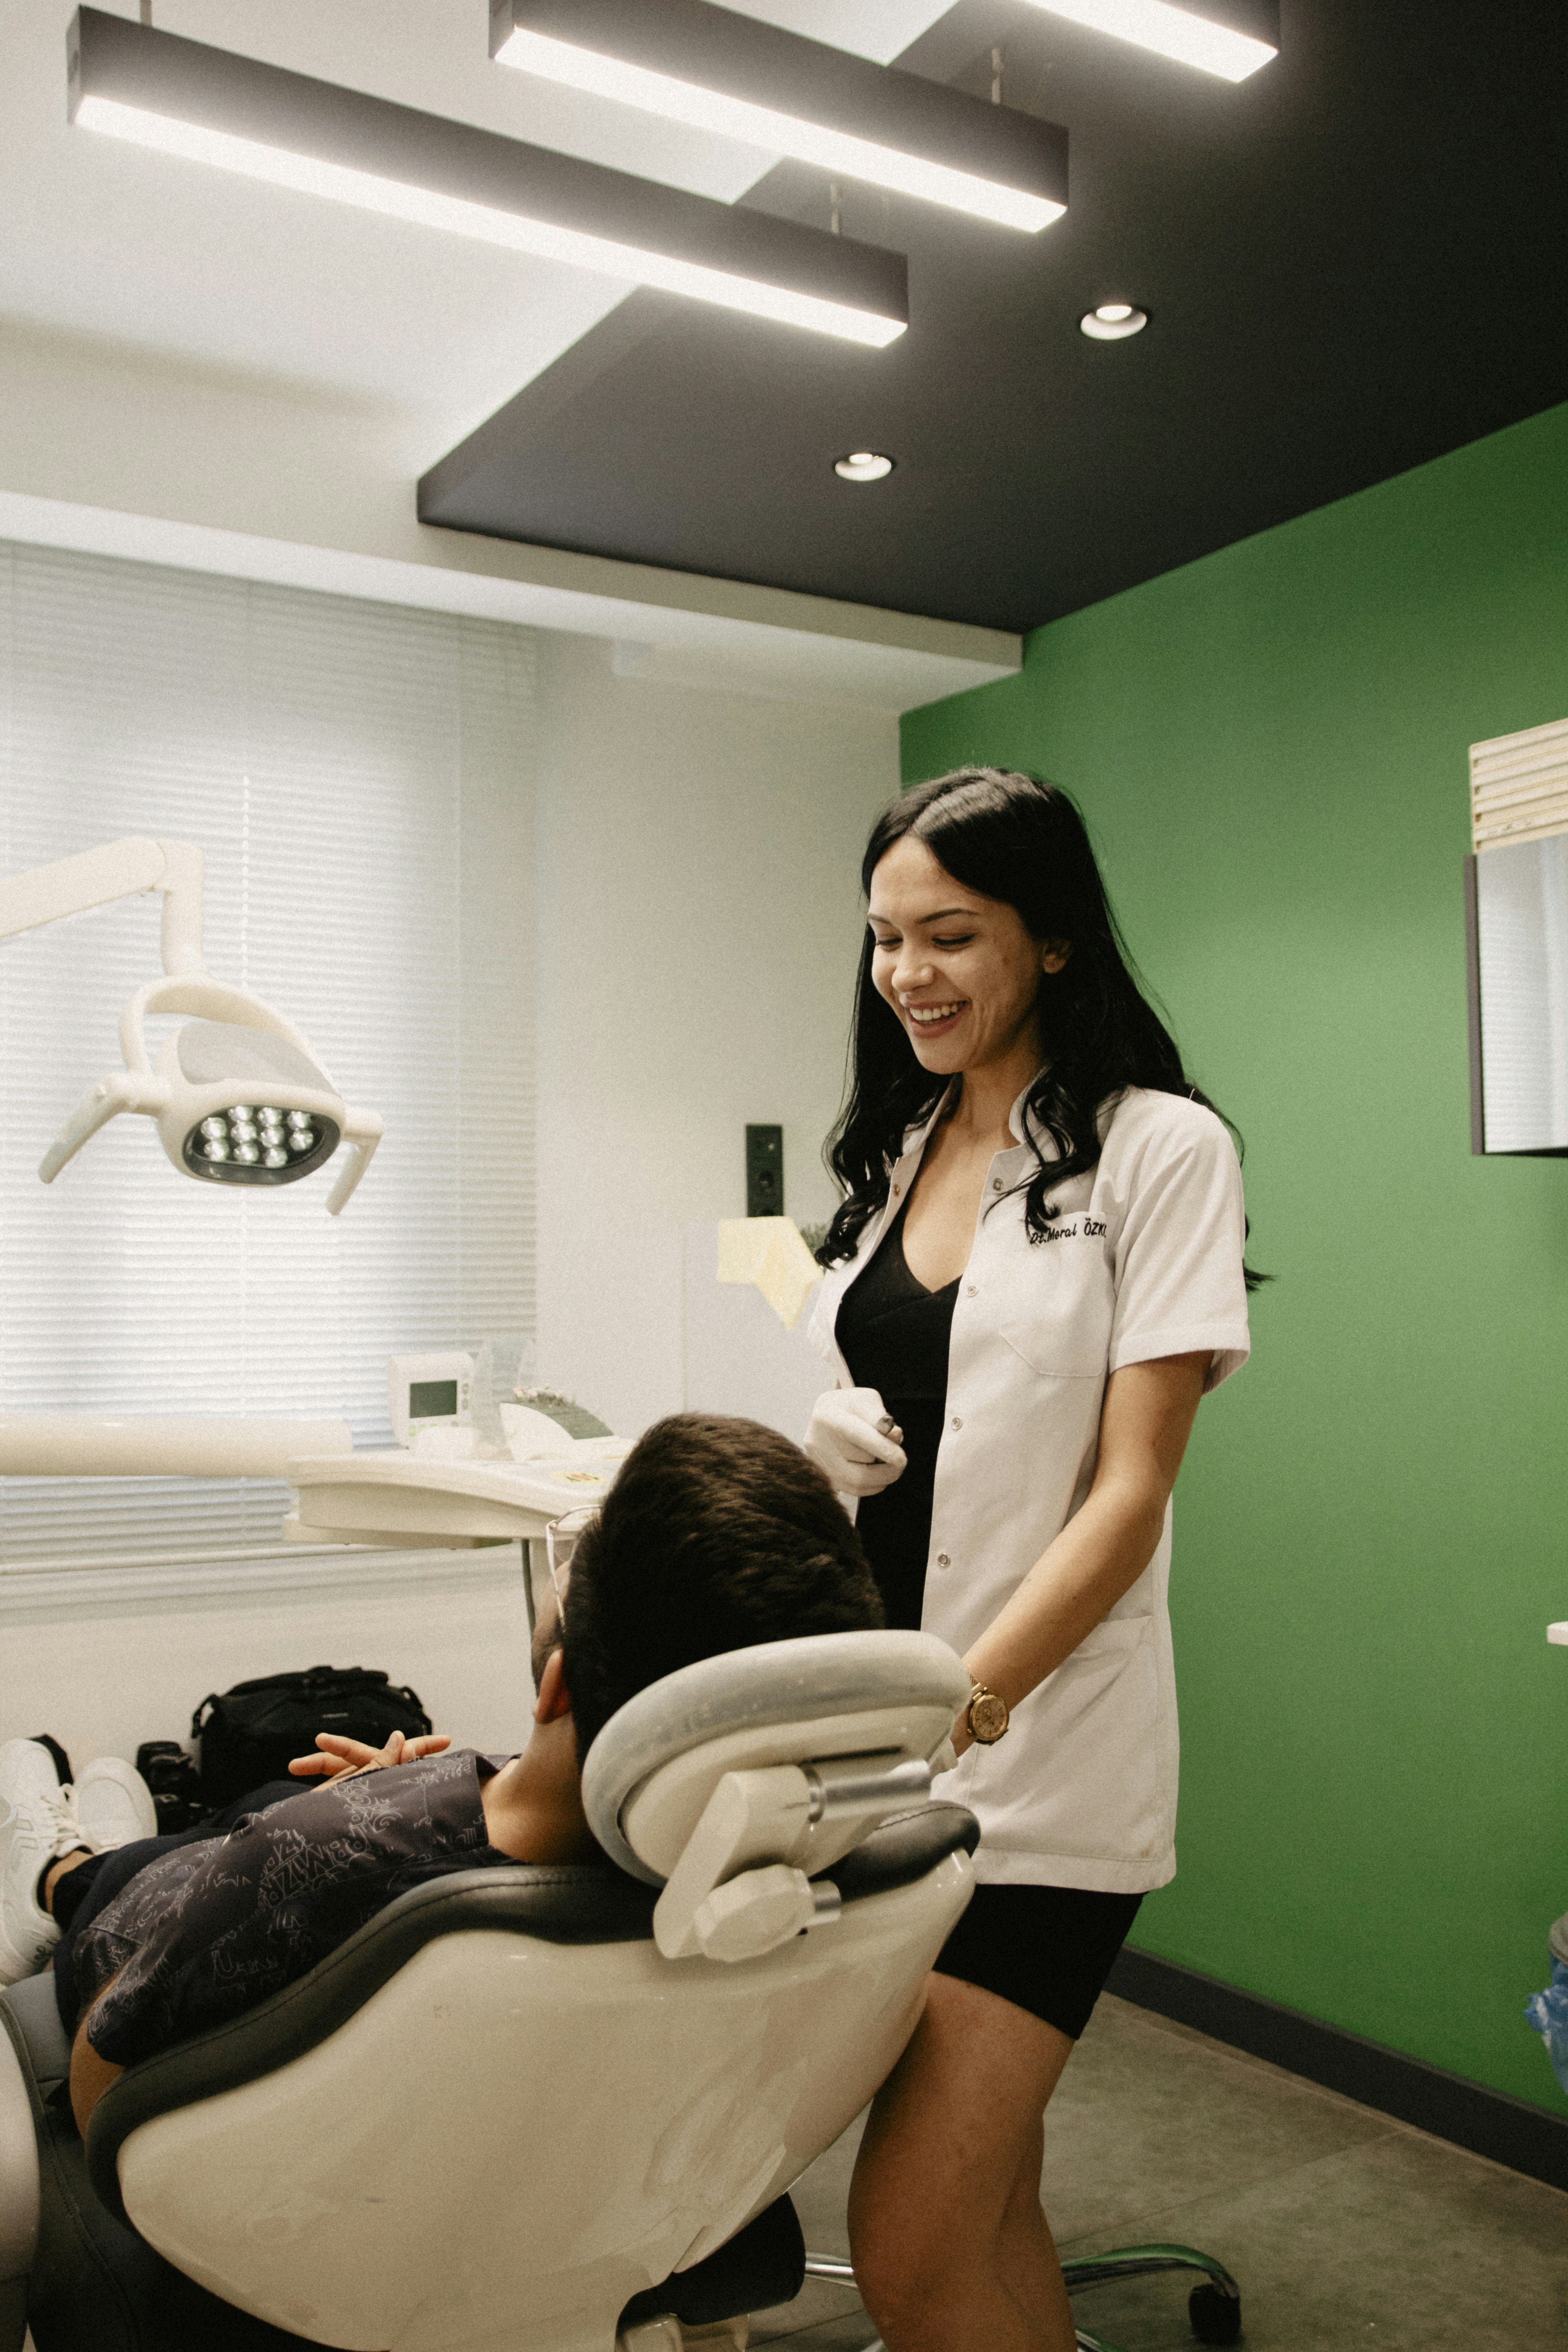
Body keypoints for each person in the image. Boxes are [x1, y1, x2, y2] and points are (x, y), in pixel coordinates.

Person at [803, 769, 1254, 2352]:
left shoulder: (1159, 1150)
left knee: (909, 2239)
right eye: (882, 940)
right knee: (987, 2200)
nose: (906, 974)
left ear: (1050, 939)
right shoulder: (898, 1143)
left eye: (948, 934)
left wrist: (962, 1703)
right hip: (874, 1743)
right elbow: (903, 1425)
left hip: (1038, 1758)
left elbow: (1127, 1493)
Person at [0, 1412, 884, 2136]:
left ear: (555, 1685)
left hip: (162, 1942)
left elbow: (101, 2091)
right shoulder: (774, 1886)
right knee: (268, 1801)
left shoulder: (313, 1856)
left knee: (171, 1855)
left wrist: (333, 1830)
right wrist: (375, 1808)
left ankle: (55, 1870)